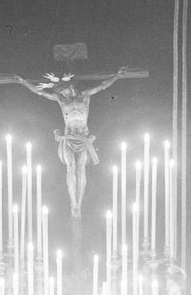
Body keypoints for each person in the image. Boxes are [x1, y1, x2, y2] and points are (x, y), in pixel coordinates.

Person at [11, 67, 130, 217]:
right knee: (71, 167)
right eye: (61, 92)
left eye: (64, 91)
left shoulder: (85, 96)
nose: (62, 94)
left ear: (70, 87)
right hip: (68, 139)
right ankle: (73, 202)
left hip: (82, 138)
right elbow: (40, 92)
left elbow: (103, 85)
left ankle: (79, 203)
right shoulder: (61, 100)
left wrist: (118, 76)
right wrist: (23, 82)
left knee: (80, 168)